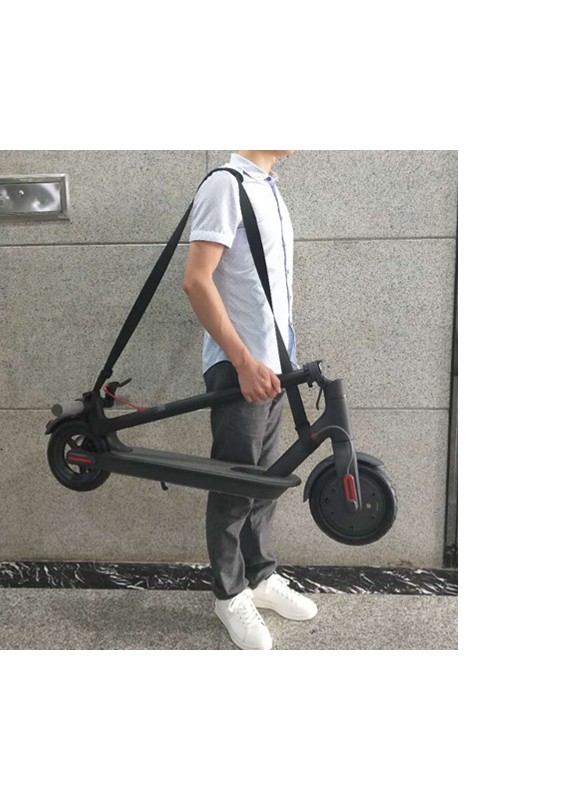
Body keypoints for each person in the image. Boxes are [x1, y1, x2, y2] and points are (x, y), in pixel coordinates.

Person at [182, 150, 318, 650]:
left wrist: (279, 362)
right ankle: (229, 593)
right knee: (235, 485)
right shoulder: (227, 185)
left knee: (264, 481)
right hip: (240, 369)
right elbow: (196, 280)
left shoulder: (269, 188)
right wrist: (243, 362)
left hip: (274, 366)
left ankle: (260, 578)